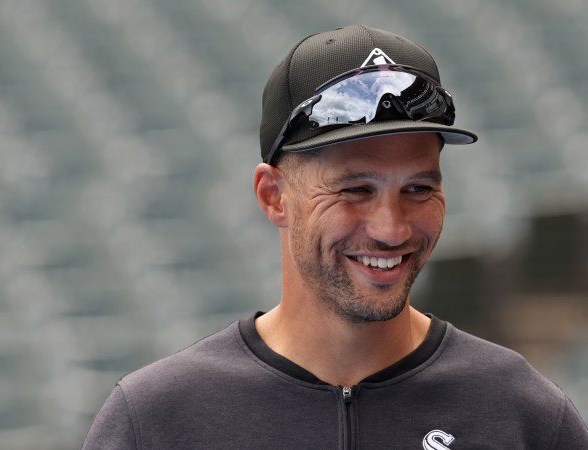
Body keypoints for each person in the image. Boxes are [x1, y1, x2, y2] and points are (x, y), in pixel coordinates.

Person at [82, 25, 588, 449]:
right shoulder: (157, 419)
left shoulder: (522, 411)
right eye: (354, 190)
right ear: (274, 196)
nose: (391, 228)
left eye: (418, 188)